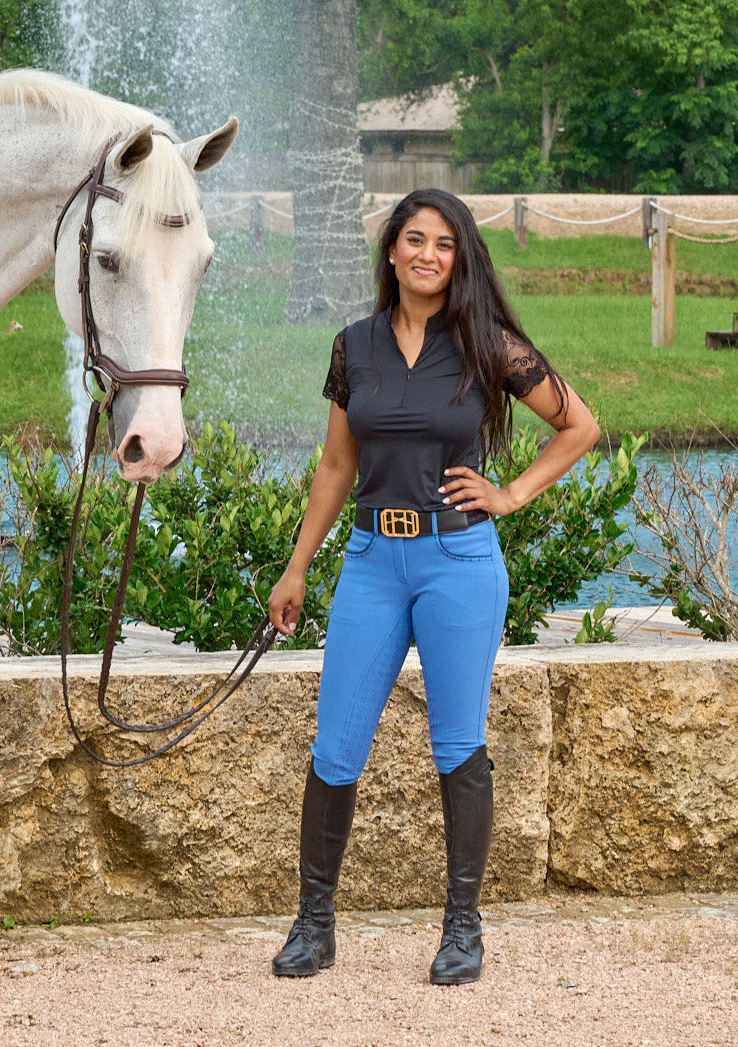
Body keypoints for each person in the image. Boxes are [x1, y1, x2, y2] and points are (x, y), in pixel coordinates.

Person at [267, 187, 600, 985]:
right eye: (414, 240)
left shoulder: (487, 343)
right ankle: (313, 925)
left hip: (458, 565)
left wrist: (510, 493)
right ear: (390, 251)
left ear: (459, 259)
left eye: (444, 244)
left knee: (457, 745)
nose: (427, 255)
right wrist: (297, 564)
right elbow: (337, 465)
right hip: (372, 564)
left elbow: (579, 426)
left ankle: (461, 929)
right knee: (334, 749)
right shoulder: (354, 346)